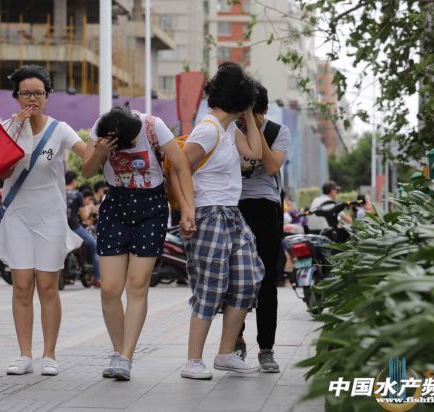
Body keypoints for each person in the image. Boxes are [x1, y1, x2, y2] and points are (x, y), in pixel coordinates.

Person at [82, 104, 195, 381]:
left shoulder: (153, 126)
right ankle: (117, 350)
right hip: (116, 204)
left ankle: (125, 357)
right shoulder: (100, 129)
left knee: (137, 284)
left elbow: (181, 166)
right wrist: (100, 151)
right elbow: (87, 171)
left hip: (151, 207)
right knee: (109, 288)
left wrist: (188, 209)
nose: (133, 145)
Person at [0, 65, 85, 377]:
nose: (32, 99)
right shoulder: (5, 128)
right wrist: (16, 127)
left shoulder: (60, 129)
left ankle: (49, 354)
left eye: (38, 93)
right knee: (21, 284)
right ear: (16, 96)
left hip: (50, 216)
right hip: (18, 214)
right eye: (26, 93)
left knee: (47, 285)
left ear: (47, 96)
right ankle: (24, 354)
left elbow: (87, 155)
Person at [178, 62, 264, 380]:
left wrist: (248, 115)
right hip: (209, 214)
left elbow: (255, 153)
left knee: (247, 280)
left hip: (232, 214)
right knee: (210, 287)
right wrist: (188, 208)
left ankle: (226, 354)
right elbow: (179, 167)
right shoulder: (209, 129)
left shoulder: (228, 129)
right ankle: (193, 361)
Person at [235, 81, 291, 373]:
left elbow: (271, 167)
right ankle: (236, 340)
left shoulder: (278, 131)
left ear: (264, 110)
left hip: (266, 208)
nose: (245, 118)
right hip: (233, 206)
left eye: (251, 112)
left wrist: (256, 131)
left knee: (267, 281)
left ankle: (266, 349)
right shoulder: (229, 129)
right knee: (235, 278)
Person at [65, 171, 101, 287]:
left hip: (61, 228)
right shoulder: (78, 195)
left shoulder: (59, 192)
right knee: (95, 246)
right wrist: (90, 212)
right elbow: (84, 217)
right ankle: (98, 278)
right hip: (75, 227)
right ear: (73, 181)